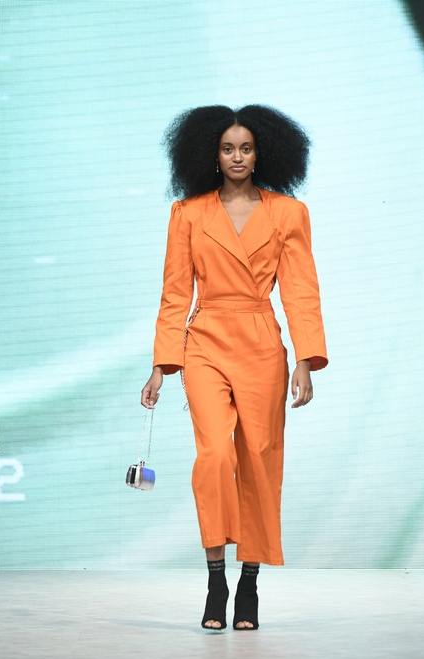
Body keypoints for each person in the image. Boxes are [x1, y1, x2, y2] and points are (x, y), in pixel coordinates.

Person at [141, 105, 327, 631]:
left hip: (262, 343)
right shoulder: (188, 213)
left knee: (260, 461)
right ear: (212, 154)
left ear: (261, 152)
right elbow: (175, 292)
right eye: (228, 148)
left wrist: (306, 360)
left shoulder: (289, 213)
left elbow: (300, 290)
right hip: (205, 340)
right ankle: (215, 578)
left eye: (246, 148)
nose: (237, 156)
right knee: (215, 455)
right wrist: (161, 365)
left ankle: (249, 584)